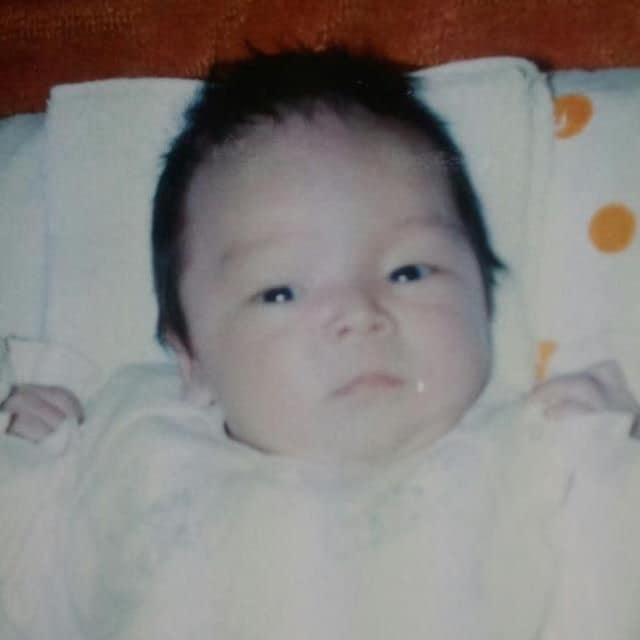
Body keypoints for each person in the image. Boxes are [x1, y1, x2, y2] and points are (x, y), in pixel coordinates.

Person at [1, 49, 639, 638]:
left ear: (486, 295)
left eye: (409, 272)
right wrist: (25, 478)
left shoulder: (540, 462)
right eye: (279, 292)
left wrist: (611, 477)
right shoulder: (130, 447)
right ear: (190, 358)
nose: (358, 314)